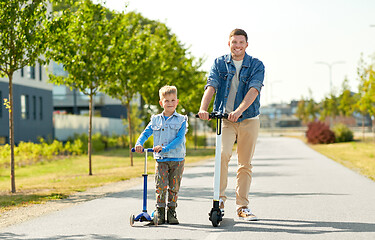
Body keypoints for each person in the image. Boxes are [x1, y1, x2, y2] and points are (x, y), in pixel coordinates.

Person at [198, 28, 264, 221]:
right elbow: (211, 85)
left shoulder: (256, 65)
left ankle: (242, 206)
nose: (237, 46)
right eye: (234, 42)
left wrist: (239, 111)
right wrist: (203, 108)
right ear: (229, 43)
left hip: (249, 118)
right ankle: (218, 200)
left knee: (245, 164)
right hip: (225, 119)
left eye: (241, 42)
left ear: (246, 45)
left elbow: (254, 90)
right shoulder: (220, 63)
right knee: (222, 155)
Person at [135, 85, 188, 225]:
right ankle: (160, 210)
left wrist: (164, 148)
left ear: (177, 101)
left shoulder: (182, 120)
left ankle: (171, 211)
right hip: (161, 159)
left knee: (174, 186)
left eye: (172, 100)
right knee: (160, 185)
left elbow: (179, 139)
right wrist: (139, 143)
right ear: (161, 103)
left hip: (177, 159)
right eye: (166, 101)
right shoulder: (155, 120)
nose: (170, 103)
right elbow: (146, 133)